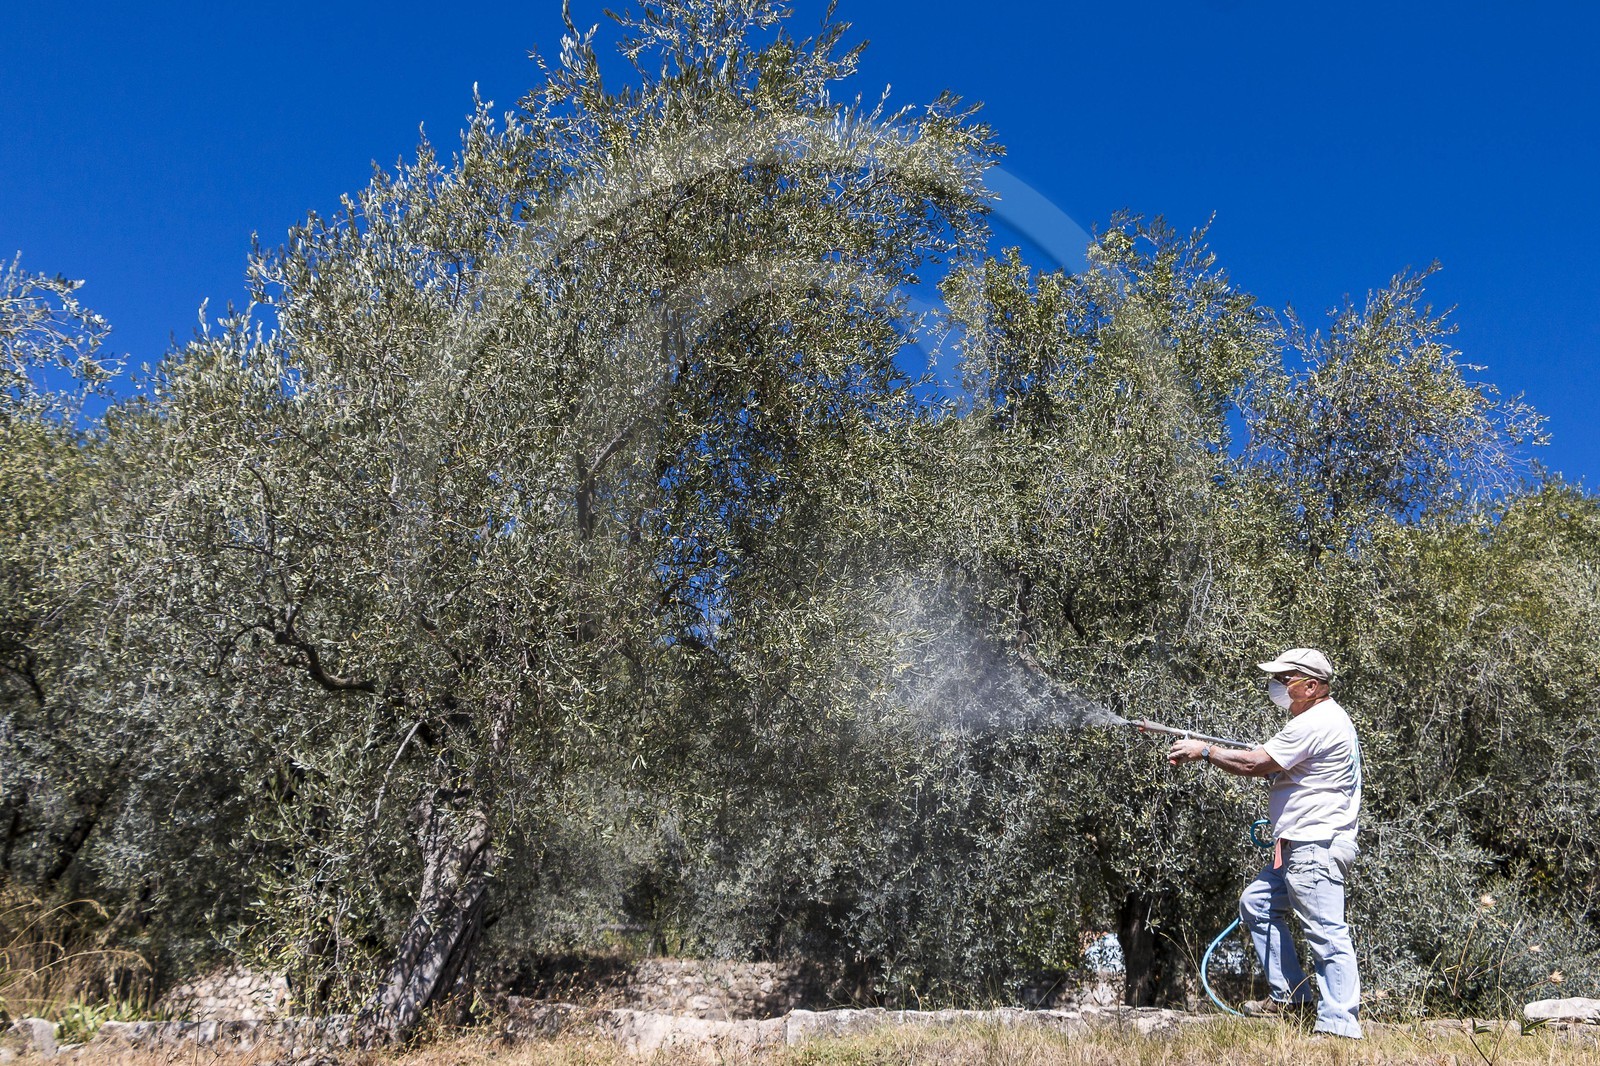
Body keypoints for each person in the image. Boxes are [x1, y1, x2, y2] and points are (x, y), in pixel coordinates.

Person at [1165, 647, 1363, 1039]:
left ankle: (1339, 1026)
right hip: (1298, 846)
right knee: (1257, 903)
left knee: (1327, 932)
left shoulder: (1316, 722)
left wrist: (1204, 751)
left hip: (1314, 846)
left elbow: (1253, 764)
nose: (1277, 685)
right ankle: (1292, 997)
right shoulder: (1319, 719)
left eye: (1284, 678)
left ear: (1311, 686)